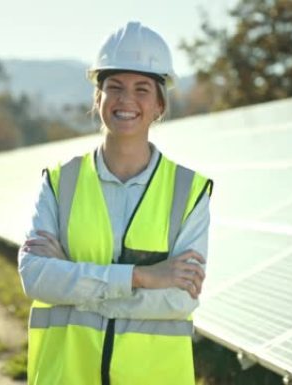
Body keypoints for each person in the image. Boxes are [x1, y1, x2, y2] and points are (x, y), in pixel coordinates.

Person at [18, 21, 213, 385]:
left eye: (142, 89)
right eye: (115, 87)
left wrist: (73, 281)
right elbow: (35, 277)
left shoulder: (189, 192)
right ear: (98, 98)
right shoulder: (61, 182)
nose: (127, 100)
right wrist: (142, 277)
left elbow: (178, 299)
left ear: (159, 105)